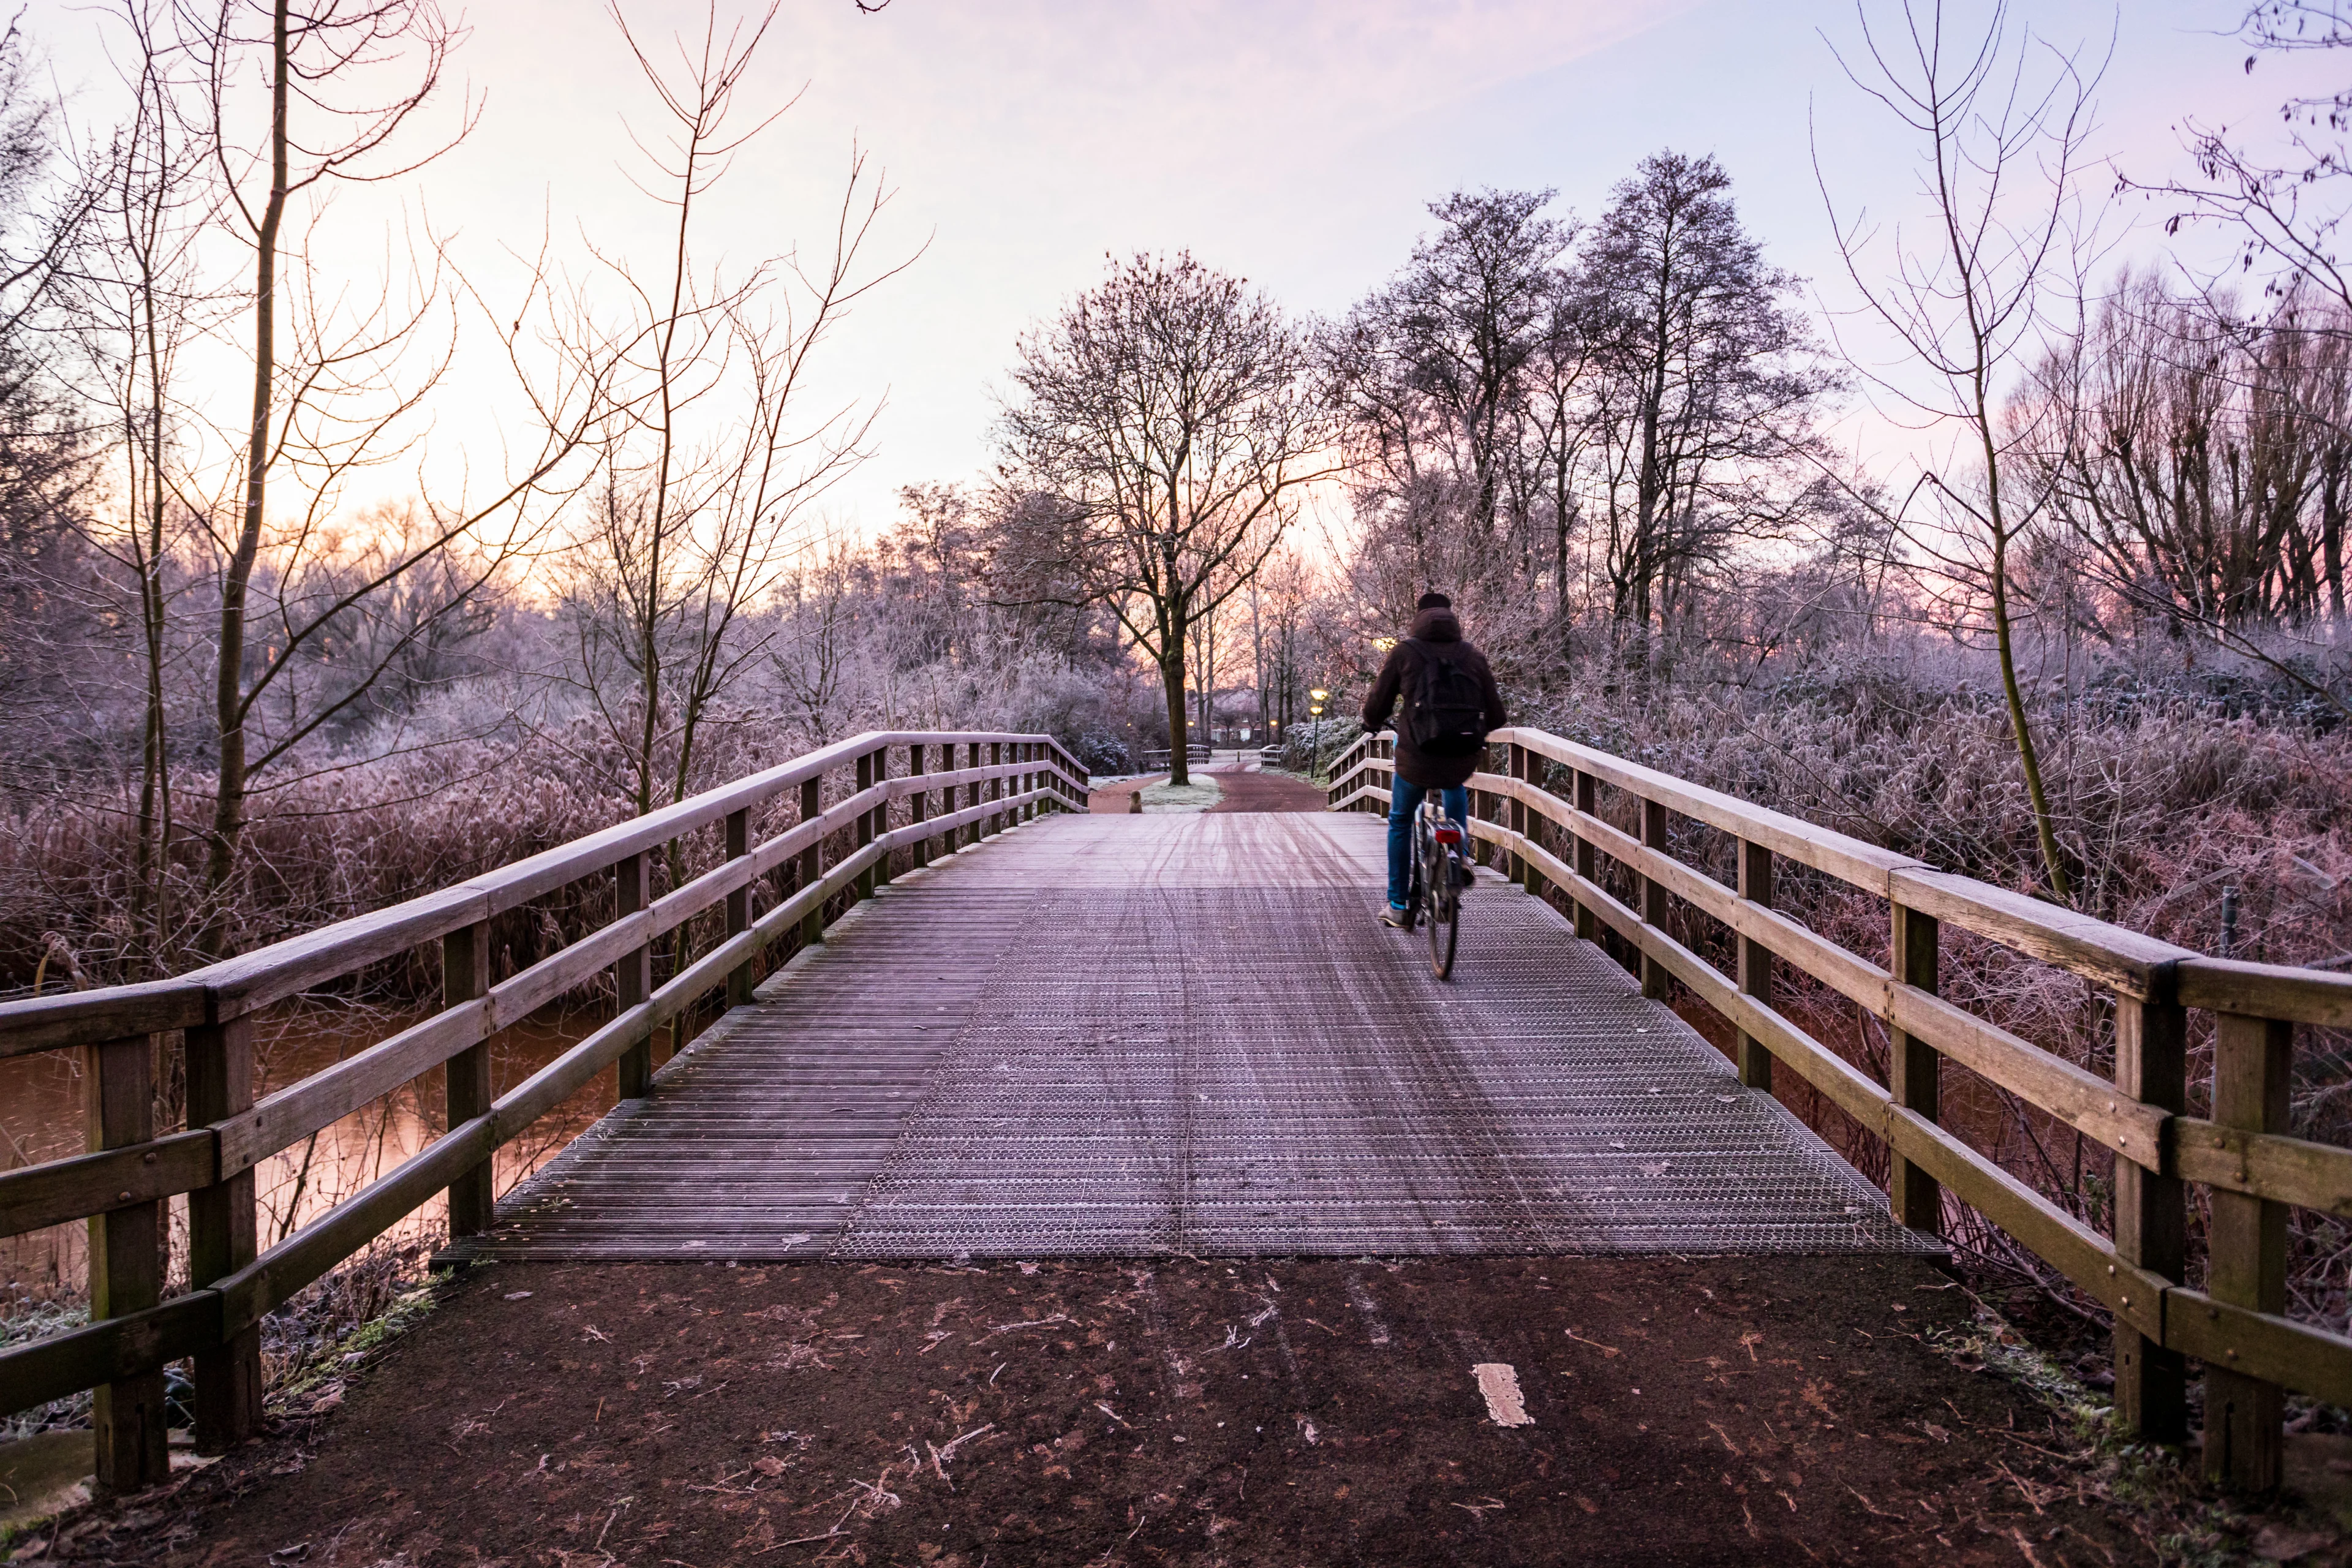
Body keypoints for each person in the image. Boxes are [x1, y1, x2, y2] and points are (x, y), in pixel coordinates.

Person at [1359, 591, 1507, 928]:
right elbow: (1498, 716)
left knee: (1400, 820)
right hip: (1461, 757)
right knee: (1453, 780)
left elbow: (1378, 703)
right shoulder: (1472, 656)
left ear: (1418, 619)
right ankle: (1461, 857)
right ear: (1452, 619)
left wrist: (1370, 722)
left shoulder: (1405, 653)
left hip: (1416, 757)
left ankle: (1398, 904)